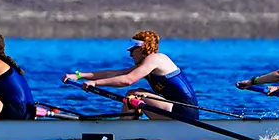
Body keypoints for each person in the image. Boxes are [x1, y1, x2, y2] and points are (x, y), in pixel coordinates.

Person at [65, 30, 200, 121]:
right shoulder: (147, 64)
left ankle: (124, 129)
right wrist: (79, 75)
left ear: (141, 49)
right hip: (175, 110)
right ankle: (128, 126)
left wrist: (95, 83)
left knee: (134, 94)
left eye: (132, 51)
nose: (130, 54)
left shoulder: (156, 59)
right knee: (135, 94)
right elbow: (114, 73)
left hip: (184, 112)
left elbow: (128, 80)